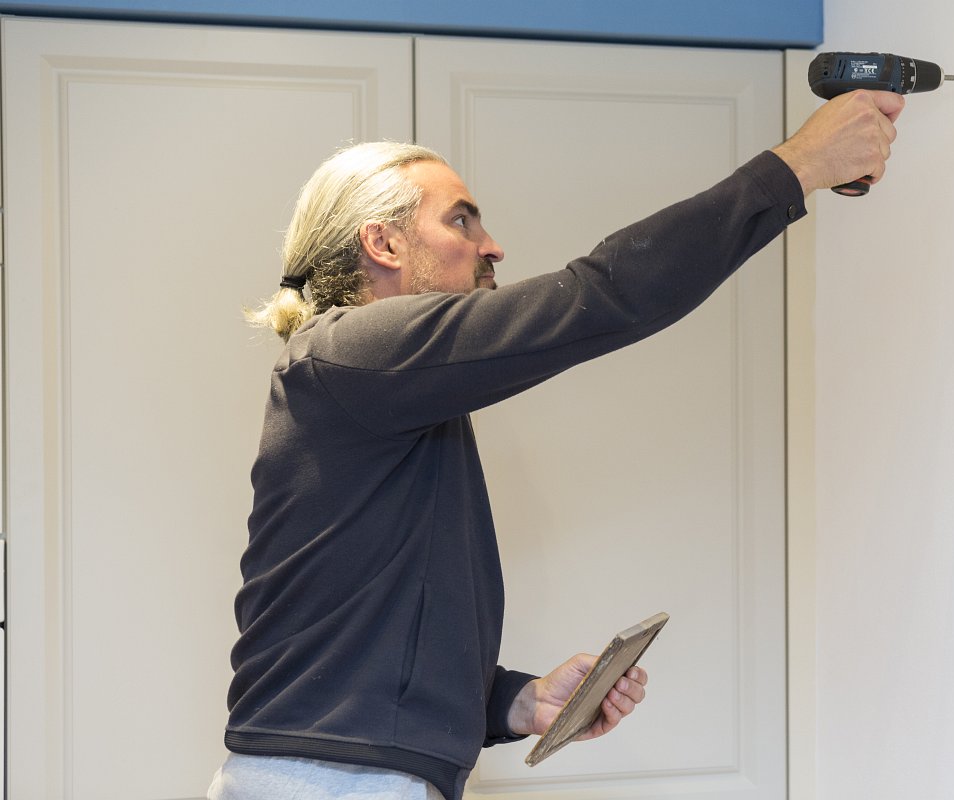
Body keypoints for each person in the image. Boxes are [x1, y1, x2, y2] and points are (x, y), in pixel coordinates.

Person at [208, 88, 904, 800]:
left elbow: (365, 627)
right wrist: (797, 166)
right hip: (331, 782)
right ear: (382, 243)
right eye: (460, 220)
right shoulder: (351, 352)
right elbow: (602, 296)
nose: (492, 246)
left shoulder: (380, 389)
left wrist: (518, 701)